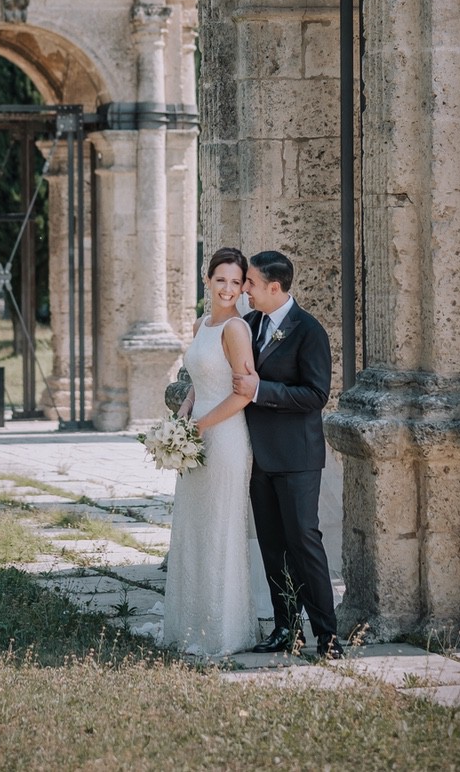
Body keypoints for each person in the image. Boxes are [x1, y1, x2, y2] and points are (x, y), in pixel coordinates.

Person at [232, 249, 343, 659]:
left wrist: (261, 390)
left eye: (252, 284)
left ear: (273, 288)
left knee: (303, 542)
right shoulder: (249, 323)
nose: (245, 290)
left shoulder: (308, 330)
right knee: (272, 546)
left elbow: (316, 395)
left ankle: (328, 637)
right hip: (258, 459)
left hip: (297, 458)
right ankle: (285, 628)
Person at [163, 247, 257, 656]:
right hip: (195, 437)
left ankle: (222, 630)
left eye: (236, 282)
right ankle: (191, 621)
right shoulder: (203, 323)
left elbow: (243, 394)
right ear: (208, 281)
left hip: (225, 439)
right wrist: (182, 419)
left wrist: (200, 426)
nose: (228, 289)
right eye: (221, 280)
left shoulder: (235, 329)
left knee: (219, 529)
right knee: (193, 526)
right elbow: (201, 380)